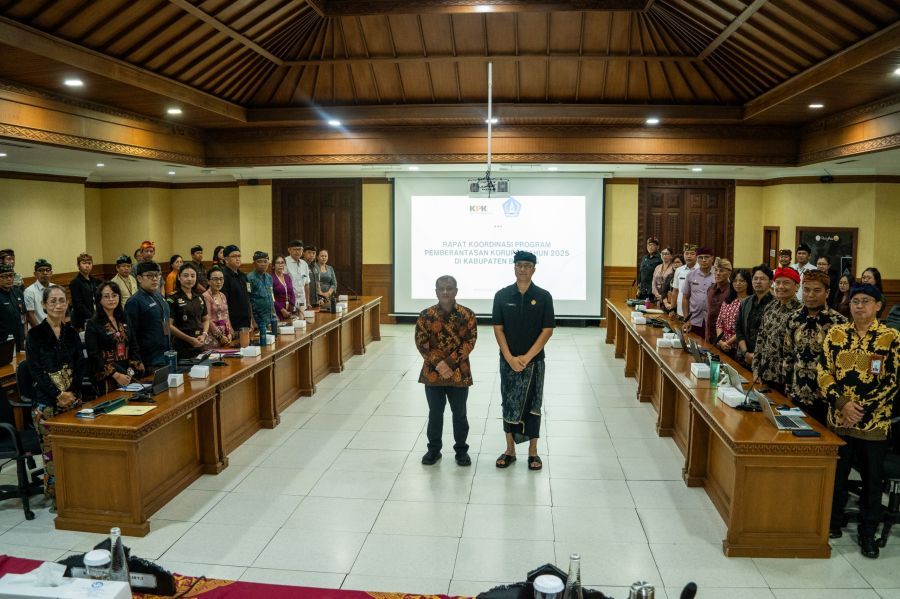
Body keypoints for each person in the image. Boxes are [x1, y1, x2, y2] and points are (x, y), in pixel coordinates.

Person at [819, 283, 899, 558]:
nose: (859, 306)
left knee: (872, 483)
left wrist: (859, 409)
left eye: (866, 301)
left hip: (873, 424)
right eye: (855, 301)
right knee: (837, 478)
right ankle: (833, 524)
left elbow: (893, 381)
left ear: (878, 306)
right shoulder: (836, 333)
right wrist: (842, 404)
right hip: (839, 419)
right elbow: (823, 371)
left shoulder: (891, 337)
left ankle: (868, 534)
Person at [492, 250, 555, 471]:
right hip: (508, 361)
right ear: (514, 267)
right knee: (508, 403)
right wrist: (509, 357)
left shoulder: (544, 296)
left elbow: (547, 330)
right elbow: (498, 329)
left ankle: (533, 452)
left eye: (527, 265)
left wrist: (527, 358)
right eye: (519, 265)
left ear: (534, 269)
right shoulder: (502, 295)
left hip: (535, 362)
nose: (523, 269)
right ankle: (510, 450)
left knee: (533, 405)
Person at [28, 285, 85, 504]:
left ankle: (78, 489)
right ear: (43, 305)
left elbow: (80, 364)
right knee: (52, 453)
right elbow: (36, 370)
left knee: (76, 450)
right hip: (47, 402)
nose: (58, 306)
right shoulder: (35, 335)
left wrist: (71, 392)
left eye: (62, 301)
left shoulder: (71, 332)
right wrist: (57, 394)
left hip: (73, 399)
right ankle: (57, 496)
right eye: (53, 301)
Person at [415, 275, 478, 466]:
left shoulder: (468, 315)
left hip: (459, 372)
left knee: (459, 414)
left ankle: (461, 451)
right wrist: (439, 364)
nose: (445, 292)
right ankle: (433, 450)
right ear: (436, 292)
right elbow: (421, 342)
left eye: (449, 288)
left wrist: (449, 363)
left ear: (456, 291)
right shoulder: (425, 315)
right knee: (435, 413)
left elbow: (470, 341)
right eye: (441, 288)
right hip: (433, 374)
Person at [781, 269, 846, 425]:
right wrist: (787, 388)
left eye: (817, 291)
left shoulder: (839, 323)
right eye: (807, 290)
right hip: (797, 394)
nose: (810, 295)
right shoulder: (793, 318)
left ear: (827, 292)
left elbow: (841, 365)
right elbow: (787, 355)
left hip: (825, 399)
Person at [84, 281, 144, 396]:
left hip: (128, 371)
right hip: (107, 375)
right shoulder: (93, 323)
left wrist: (131, 370)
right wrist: (116, 375)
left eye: (114, 295)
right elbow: (94, 355)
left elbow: (134, 344)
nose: (111, 299)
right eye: (106, 296)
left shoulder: (124, 317)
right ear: (99, 299)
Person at [752, 266, 802, 393]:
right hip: (766, 375)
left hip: (786, 380)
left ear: (797, 286)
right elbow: (761, 338)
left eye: (786, 283)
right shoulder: (771, 307)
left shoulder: (801, 313)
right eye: (778, 282)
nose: (780, 286)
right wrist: (756, 368)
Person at [125, 261, 171, 370]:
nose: (155, 279)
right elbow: (131, 334)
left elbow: (165, 322)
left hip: (166, 356)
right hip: (149, 360)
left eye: (157, 275)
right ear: (139, 278)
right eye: (150, 275)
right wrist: (136, 359)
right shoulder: (134, 302)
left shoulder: (160, 296)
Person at [167, 263, 210, 358]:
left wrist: (204, 335)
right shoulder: (172, 298)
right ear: (179, 277)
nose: (190, 279)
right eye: (186, 276)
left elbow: (206, 319)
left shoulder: (199, 297)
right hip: (182, 346)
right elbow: (168, 325)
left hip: (199, 344)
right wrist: (190, 339)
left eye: (193, 276)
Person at [735, 264, 774, 367]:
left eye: (762, 279)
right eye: (755, 278)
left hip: (766, 361)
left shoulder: (775, 304)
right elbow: (739, 329)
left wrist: (756, 356)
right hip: (745, 357)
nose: (758, 281)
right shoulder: (746, 302)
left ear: (770, 282)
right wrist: (745, 353)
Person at [715, 268, 750, 356]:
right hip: (722, 343)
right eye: (735, 281)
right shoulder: (728, 300)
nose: (738, 284)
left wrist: (728, 343)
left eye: (742, 281)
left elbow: (744, 328)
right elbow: (719, 323)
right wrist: (720, 341)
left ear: (748, 283)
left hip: (739, 347)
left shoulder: (750, 302)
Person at [681, 247, 714, 333]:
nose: (703, 260)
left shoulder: (718, 275)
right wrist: (686, 319)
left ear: (712, 258)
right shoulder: (691, 275)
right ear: (697, 259)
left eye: (706, 257)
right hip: (694, 320)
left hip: (713, 322)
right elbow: (685, 298)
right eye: (700, 257)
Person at [221, 245, 252, 331]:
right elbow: (223, 304)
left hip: (246, 322)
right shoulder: (223, 277)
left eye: (239, 256)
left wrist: (252, 321)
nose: (238, 258)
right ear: (226, 259)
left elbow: (248, 298)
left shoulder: (243, 276)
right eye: (234, 256)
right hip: (233, 324)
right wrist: (229, 326)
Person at [69, 252, 101, 331]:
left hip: (97, 315)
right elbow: (78, 304)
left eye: (89, 263)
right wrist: (93, 317)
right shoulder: (75, 282)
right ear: (78, 265)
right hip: (83, 319)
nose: (87, 266)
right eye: (84, 263)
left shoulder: (96, 281)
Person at [202, 266, 233, 347]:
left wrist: (228, 333)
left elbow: (226, 316)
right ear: (208, 281)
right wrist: (220, 336)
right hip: (211, 334)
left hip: (224, 334)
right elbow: (207, 318)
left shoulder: (223, 295)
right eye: (215, 279)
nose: (219, 282)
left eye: (221, 279)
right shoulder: (205, 296)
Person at [248, 251, 277, 337]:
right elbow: (248, 300)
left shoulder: (269, 277)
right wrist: (252, 321)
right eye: (259, 261)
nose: (263, 264)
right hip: (257, 320)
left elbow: (272, 297)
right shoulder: (249, 278)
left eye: (265, 261)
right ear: (254, 263)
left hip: (270, 318)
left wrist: (275, 315)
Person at [704, 257, 732, 344]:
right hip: (709, 335)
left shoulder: (732, 291)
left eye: (721, 271)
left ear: (729, 273)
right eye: (716, 270)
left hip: (725, 338)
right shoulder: (710, 289)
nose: (718, 273)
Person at [0, 264, 26, 352]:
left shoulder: (18, 292)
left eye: (11, 275)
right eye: (4, 276)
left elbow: (24, 315)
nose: (9, 279)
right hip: (4, 342)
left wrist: (25, 335)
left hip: (20, 339)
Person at [24, 258, 52, 327]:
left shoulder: (56, 288)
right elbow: (30, 315)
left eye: (47, 270)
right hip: (39, 330)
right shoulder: (29, 291)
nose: (45, 273)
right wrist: (40, 332)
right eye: (40, 270)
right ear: (35, 274)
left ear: (51, 273)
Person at [673, 244, 698, 318]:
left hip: (696, 312)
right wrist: (672, 308)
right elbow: (675, 290)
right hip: (680, 311)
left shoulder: (701, 270)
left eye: (692, 254)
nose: (689, 256)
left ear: (697, 255)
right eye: (686, 253)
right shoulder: (679, 270)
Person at [285, 239, 309, 313]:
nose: (298, 252)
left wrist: (308, 302)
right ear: (289, 250)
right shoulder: (284, 262)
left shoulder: (304, 264)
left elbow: (307, 284)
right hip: (290, 300)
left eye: (300, 249)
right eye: (295, 249)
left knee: (303, 322)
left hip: (302, 300)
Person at [272, 255, 296, 322]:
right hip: (278, 311)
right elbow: (271, 297)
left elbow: (292, 293)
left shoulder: (287, 277)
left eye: (282, 263)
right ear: (273, 265)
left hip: (289, 311)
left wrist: (292, 305)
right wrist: (281, 309)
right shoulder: (271, 278)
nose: (280, 265)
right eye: (278, 263)